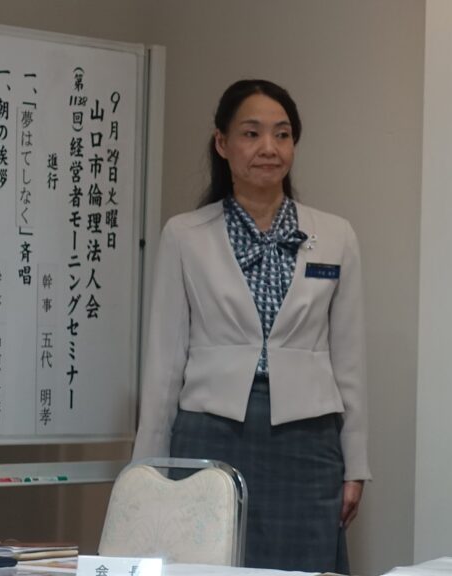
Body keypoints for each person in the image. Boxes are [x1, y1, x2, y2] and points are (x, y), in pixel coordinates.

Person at [132, 79, 369, 573]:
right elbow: (164, 364)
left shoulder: (336, 236)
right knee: (207, 562)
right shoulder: (185, 235)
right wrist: (147, 470)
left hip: (308, 440)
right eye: (252, 133)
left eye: (282, 135)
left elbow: (349, 361)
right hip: (210, 431)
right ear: (222, 143)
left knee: (303, 566)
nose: (269, 148)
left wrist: (356, 464)